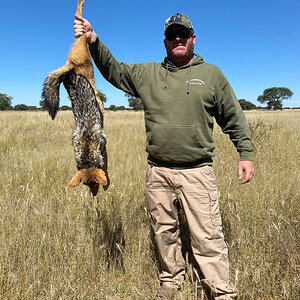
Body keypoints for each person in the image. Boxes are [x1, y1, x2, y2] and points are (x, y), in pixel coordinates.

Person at [74, 12, 254, 300]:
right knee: (164, 232)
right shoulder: (148, 74)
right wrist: (93, 40)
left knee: (207, 237)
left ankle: (222, 292)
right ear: (165, 41)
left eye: (184, 34)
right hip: (157, 172)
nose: (178, 39)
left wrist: (245, 152)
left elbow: (233, 117)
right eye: (172, 35)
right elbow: (115, 71)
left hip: (197, 172)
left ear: (193, 39)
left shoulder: (212, 75)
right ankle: (171, 281)